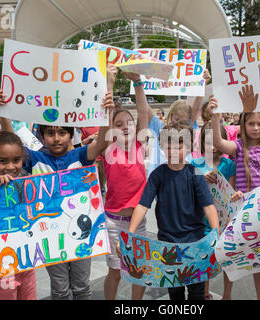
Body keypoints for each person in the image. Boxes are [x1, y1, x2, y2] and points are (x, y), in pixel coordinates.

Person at [0, 64, 116, 300]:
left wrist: (107, 105)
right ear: (41, 136)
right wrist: (2, 111)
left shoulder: (80, 155)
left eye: (62, 132)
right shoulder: (35, 158)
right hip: (50, 235)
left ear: (72, 135)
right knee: (60, 290)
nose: (56, 137)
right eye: (50, 133)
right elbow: (10, 141)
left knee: (82, 287)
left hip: (82, 232)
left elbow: (102, 143)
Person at [117, 121, 219, 300]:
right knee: (175, 293)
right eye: (168, 147)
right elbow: (142, 206)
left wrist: (216, 234)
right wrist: (129, 236)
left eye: (178, 147)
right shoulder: (157, 175)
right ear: (162, 147)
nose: (172, 152)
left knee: (197, 293)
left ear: (189, 147)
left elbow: (208, 207)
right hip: (168, 245)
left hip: (195, 242)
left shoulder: (195, 174)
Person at [210, 96, 260, 300]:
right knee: (257, 260)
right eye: (251, 123)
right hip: (245, 213)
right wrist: (215, 116)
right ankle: (259, 297)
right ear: (243, 124)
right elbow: (217, 142)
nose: (256, 128)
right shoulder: (239, 147)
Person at [101, 71, 149, 300]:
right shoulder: (109, 147)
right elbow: (104, 114)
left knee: (137, 270)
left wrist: (138, 81)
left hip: (137, 222)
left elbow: (142, 112)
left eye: (128, 123)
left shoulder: (140, 143)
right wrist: (110, 81)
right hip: (113, 221)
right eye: (118, 124)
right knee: (115, 272)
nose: (126, 126)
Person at [0, 131, 37, 300]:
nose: (11, 166)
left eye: (16, 160)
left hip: (26, 264)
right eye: (2, 161)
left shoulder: (30, 184)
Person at [191, 121, 238, 300]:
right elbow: (190, 193)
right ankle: (204, 292)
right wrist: (201, 179)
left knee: (228, 259)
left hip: (224, 221)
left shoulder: (229, 165)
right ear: (202, 143)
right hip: (201, 221)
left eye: (216, 142)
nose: (212, 147)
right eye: (208, 142)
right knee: (204, 259)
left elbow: (230, 194)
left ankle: (227, 294)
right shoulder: (195, 164)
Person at [144, 69, 211, 177]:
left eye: (182, 121)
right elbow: (145, 108)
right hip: (160, 183)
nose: (177, 124)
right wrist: (137, 82)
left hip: (183, 180)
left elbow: (196, 106)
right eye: (175, 119)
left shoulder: (186, 130)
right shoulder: (159, 127)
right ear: (170, 115)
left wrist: (203, 84)